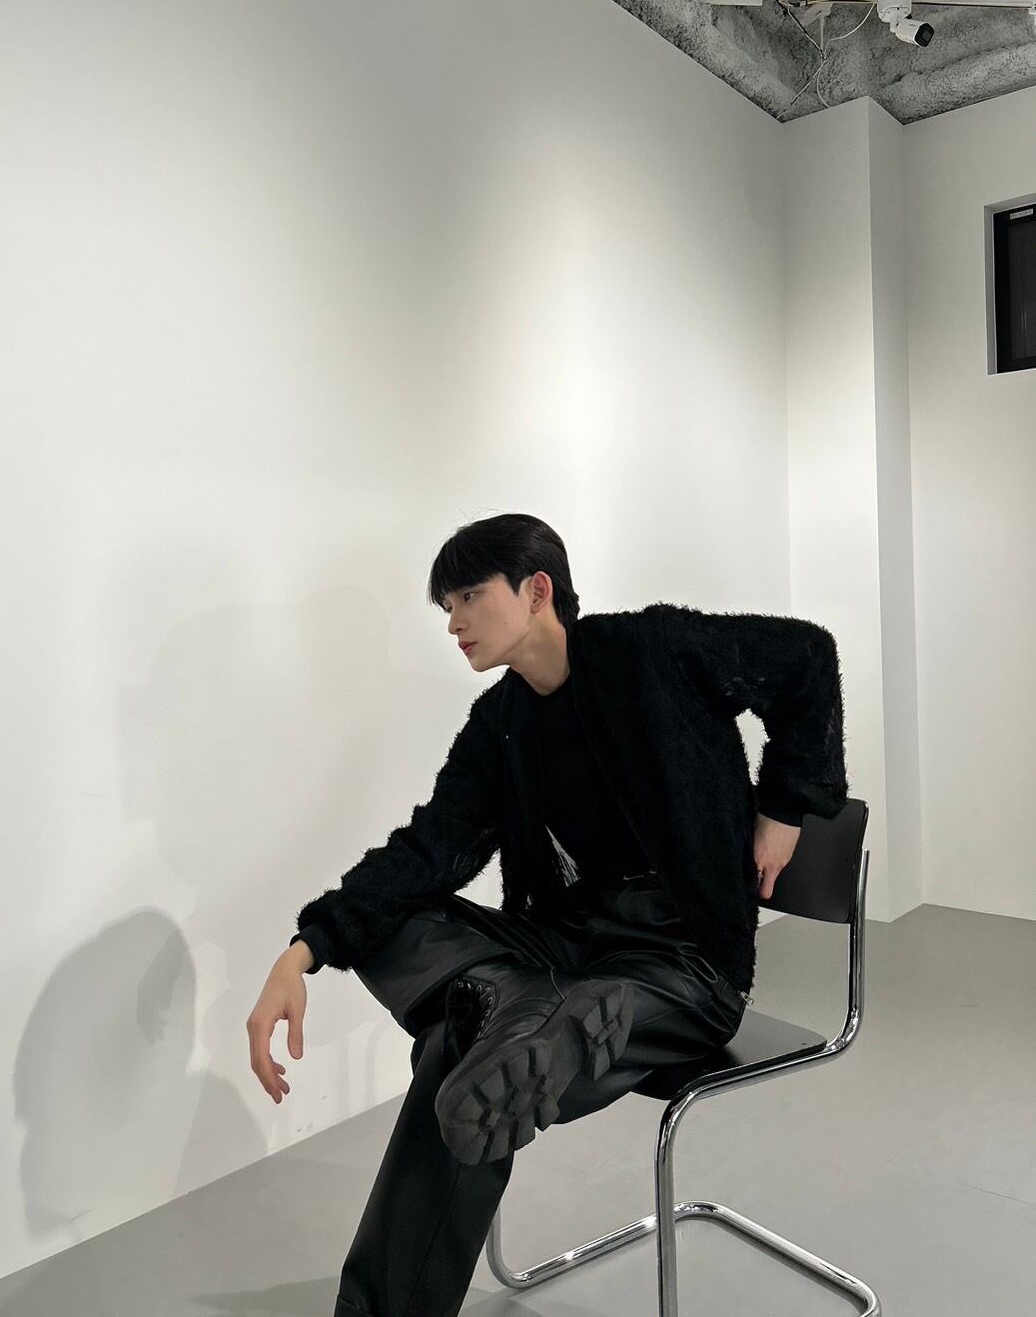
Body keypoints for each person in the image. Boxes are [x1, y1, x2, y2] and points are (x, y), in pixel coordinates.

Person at [247, 512, 849, 1317]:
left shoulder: (650, 649)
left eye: (468, 596)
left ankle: (382, 1307)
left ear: (536, 590)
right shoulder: (499, 724)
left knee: (460, 1048)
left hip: (683, 961)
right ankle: (520, 1009)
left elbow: (806, 655)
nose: (453, 622)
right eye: (446, 607)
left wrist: (785, 802)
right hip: (563, 947)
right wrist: (303, 951)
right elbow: (427, 848)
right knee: (398, 923)